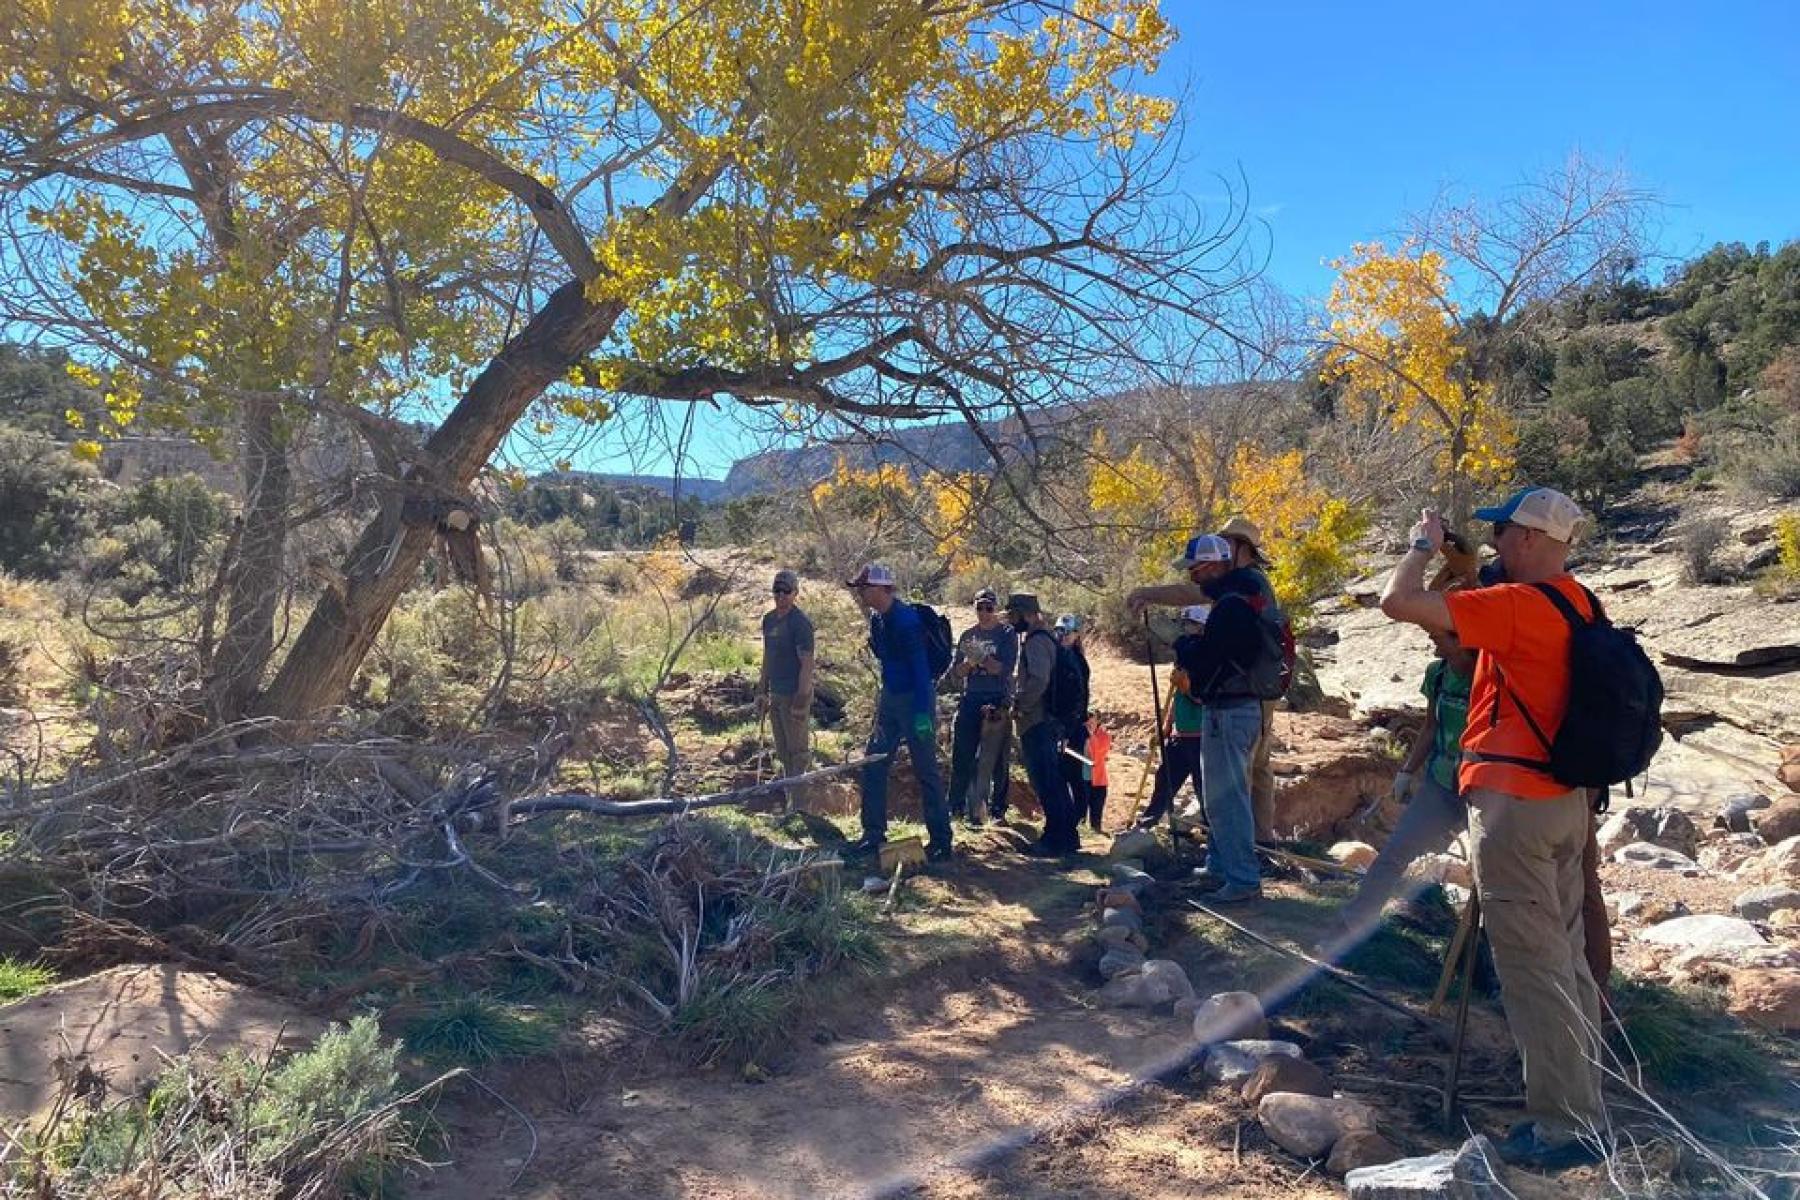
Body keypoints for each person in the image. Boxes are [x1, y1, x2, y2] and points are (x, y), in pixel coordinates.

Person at [1379, 486, 1607, 1170]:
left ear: (1534, 539)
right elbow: (1463, 653)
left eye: (1506, 531)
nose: (1499, 541)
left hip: (1514, 807)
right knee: (1564, 961)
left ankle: (1563, 1127)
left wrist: (1421, 546)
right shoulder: (1581, 602)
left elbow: (1396, 601)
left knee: (1531, 969)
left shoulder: (1517, 606)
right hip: (1563, 802)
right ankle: (1584, 1102)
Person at [1129, 534, 1270, 903]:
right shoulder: (1238, 595)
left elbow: (1210, 659)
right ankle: (1221, 867)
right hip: (1227, 708)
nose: (1191, 576)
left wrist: (1182, 643)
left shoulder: (1232, 605)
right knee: (1219, 796)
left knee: (1229, 799)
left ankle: (1242, 880)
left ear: (1212, 566)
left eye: (1194, 569)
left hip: (1232, 708)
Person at [1332, 618, 1475, 937]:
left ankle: (1490, 955)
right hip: (1440, 783)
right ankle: (1353, 923)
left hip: (1480, 790)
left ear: (1464, 640)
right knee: (1395, 852)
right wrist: (1406, 772)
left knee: (1492, 875)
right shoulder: (1438, 674)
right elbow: (1430, 727)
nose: (1431, 640)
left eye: (1438, 635)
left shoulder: (1488, 677)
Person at [847, 564, 952, 864]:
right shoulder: (878, 620)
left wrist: (922, 714)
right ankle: (873, 833)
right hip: (891, 699)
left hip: (915, 700)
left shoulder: (906, 622)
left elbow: (921, 672)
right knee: (874, 762)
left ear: (883, 589)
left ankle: (942, 840)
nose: (862, 593)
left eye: (865, 588)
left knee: (926, 769)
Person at [1215, 517, 1284, 842]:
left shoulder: (1245, 581)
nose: (1223, 549)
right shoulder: (1258, 581)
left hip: (1253, 688)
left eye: (1228, 543)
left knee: (1245, 767)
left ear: (1242, 548)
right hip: (1265, 686)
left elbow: (1192, 592)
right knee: (1259, 765)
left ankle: (1246, 844)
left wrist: (1150, 593)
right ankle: (1262, 838)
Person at [1006, 593, 1079, 857]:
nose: (1012, 622)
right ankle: (1066, 838)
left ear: (1026, 614)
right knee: (1054, 781)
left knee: (1047, 782)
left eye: (1014, 616)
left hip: (1038, 722)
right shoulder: (1047, 638)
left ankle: (1056, 840)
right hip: (1049, 721)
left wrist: (1021, 705)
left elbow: (1038, 680)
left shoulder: (1036, 642)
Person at [1134, 604, 1210, 830]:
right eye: (1186, 624)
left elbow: (1204, 698)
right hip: (1180, 735)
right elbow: (1175, 699)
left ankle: (1216, 837)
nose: (1187, 629)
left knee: (1204, 789)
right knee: (1164, 780)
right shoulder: (1183, 660)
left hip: (1202, 736)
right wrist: (1166, 727)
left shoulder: (1206, 660)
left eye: (1192, 625)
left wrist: (1187, 687)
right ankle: (1147, 823)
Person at [946, 588, 1018, 824]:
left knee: (997, 759)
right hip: (971, 697)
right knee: (962, 755)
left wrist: (983, 659)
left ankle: (998, 809)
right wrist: (968, 663)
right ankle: (956, 807)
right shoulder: (967, 635)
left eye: (989, 608)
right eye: (980, 608)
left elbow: (1004, 669)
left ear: (995, 609)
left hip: (997, 697)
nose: (984, 613)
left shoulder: (1006, 634)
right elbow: (956, 673)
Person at [758, 568, 816, 808]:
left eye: (786, 591)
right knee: (782, 751)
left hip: (795, 694)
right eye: (777, 590)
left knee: (798, 752)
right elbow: (767, 657)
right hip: (776, 693)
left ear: (795, 593)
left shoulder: (800, 624)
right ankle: (790, 801)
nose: (781, 595)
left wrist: (801, 700)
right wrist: (761, 690)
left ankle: (802, 807)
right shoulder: (769, 619)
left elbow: (807, 664)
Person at [1053, 613, 1093, 825]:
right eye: (1059, 631)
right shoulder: (1058, 657)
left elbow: (1078, 697)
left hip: (1072, 727)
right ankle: (1069, 816)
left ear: (1076, 635)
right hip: (1062, 724)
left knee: (1074, 773)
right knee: (1061, 772)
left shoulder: (1076, 661)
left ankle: (1077, 817)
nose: (1062, 636)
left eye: (1067, 632)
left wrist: (1067, 728)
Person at [1082, 715, 1112, 832]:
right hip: (1081, 778)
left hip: (1098, 780)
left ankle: (1096, 832)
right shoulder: (1078, 735)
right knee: (1080, 812)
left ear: (1097, 721)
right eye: (1087, 722)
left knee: (1096, 813)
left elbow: (1097, 753)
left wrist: (1090, 735)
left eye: (1092, 721)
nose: (1089, 724)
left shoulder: (1104, 736)